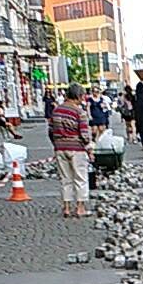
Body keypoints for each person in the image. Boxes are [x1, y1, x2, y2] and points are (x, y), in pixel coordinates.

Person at [50, 83, 93, 218]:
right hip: (77, 148)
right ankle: (80, 208)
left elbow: (51, 130)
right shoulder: (80, 112)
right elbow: (84, 135)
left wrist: (56, 144)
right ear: (79, 96)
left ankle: (66, 207)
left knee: (65, 179)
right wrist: (90, 150)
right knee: (80, 178)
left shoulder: (56, 110)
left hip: (60, 148)